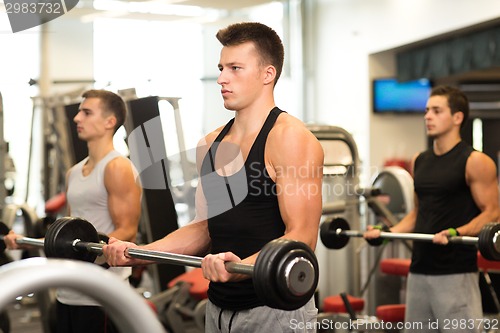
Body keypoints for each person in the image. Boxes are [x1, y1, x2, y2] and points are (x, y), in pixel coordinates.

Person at [103, 22, 324, 332]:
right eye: (221, 68)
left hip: (275, 309)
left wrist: (239, 268)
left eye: (235, 68)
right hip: (218, 307)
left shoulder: (289, 138)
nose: (222, 78)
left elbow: (301, 237)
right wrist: (141, 254)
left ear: (267, 74)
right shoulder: (211, 144)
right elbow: (205, 228)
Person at [4, 89, 142, 333]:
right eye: (79, 112)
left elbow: (127, 231)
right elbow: (66, 235)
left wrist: (96, 250)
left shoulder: (117, 167)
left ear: (110, 121)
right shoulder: (74, 172)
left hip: (101, 293)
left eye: (86, 112)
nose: (77, 118)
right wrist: (28, 243)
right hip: (68, 289)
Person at [365, 85, 499, 332]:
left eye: (437, 111)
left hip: (455, 274)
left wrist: (457, 232)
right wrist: (386, 233)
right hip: (419, 271)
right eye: (427, 110)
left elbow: (492, 212)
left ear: (457, 117)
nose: (427, 116)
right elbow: (417, 214)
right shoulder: (420, 161)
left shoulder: (475, 161)